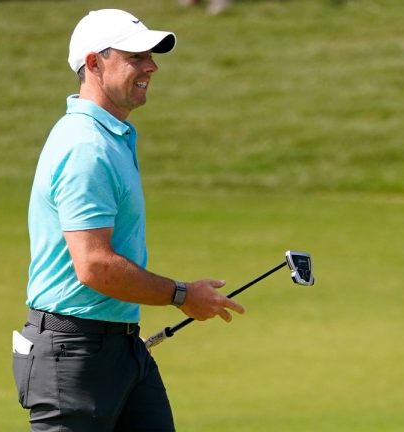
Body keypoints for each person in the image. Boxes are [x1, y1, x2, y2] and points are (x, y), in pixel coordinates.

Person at [12, 9, 245, 431]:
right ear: (94, 63)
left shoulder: (110, 138)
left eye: (150, 56)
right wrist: (181, 295)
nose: (151, 65)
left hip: (119, 347)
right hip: (74, 356)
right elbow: (94, 265)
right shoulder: (86, 147)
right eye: (135, 56)